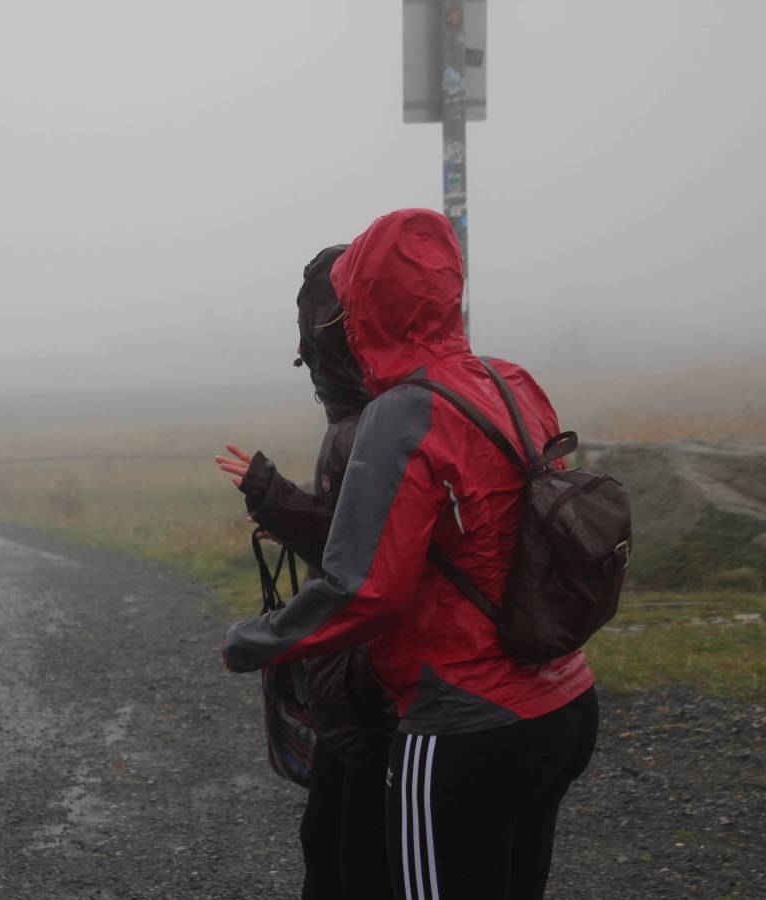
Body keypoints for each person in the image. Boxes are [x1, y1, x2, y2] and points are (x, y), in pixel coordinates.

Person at [223, 209, 599, 900]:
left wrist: (257, 640)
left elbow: (367, 588)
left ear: (361, 305)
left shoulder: (401, 412)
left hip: (463, 719)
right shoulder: (511, 380)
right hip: (564, 701)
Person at [215, 245, 397, 898]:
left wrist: (272, 494)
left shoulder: (374, 425)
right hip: (354, 686)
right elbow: (357, 536)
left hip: (374, 690)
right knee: (328, 845)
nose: (312, 367)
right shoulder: (368, 420)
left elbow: (365, 560)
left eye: (315, 349)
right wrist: (287, 512)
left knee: (352, 862)